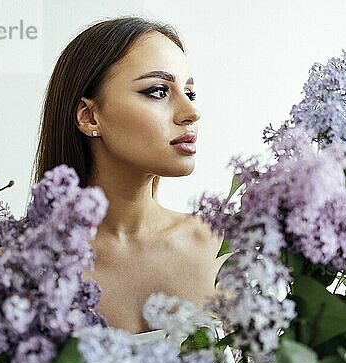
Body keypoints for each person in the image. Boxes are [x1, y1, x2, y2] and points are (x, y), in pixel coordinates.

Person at [31, 16, 232, 334]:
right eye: (157, 91)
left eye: (189, 93)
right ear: (89, 116)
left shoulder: (221, 250)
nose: (191, 112)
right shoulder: (24, 267)